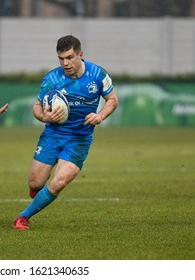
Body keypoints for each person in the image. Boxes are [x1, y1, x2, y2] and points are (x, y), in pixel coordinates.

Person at [13, 35, 118, 230]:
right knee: (36, 183)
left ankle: (23, 217)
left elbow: (112, 100)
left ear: (80, 54)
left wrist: (100, 116)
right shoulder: (52, 78)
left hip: (79, 139)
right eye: (61, 58)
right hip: (52, 135)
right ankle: (38, 190)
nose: (65, 63)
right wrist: (44, 117)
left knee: (59, 181)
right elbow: (37, 106)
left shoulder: (98, 74)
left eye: (69, 57)